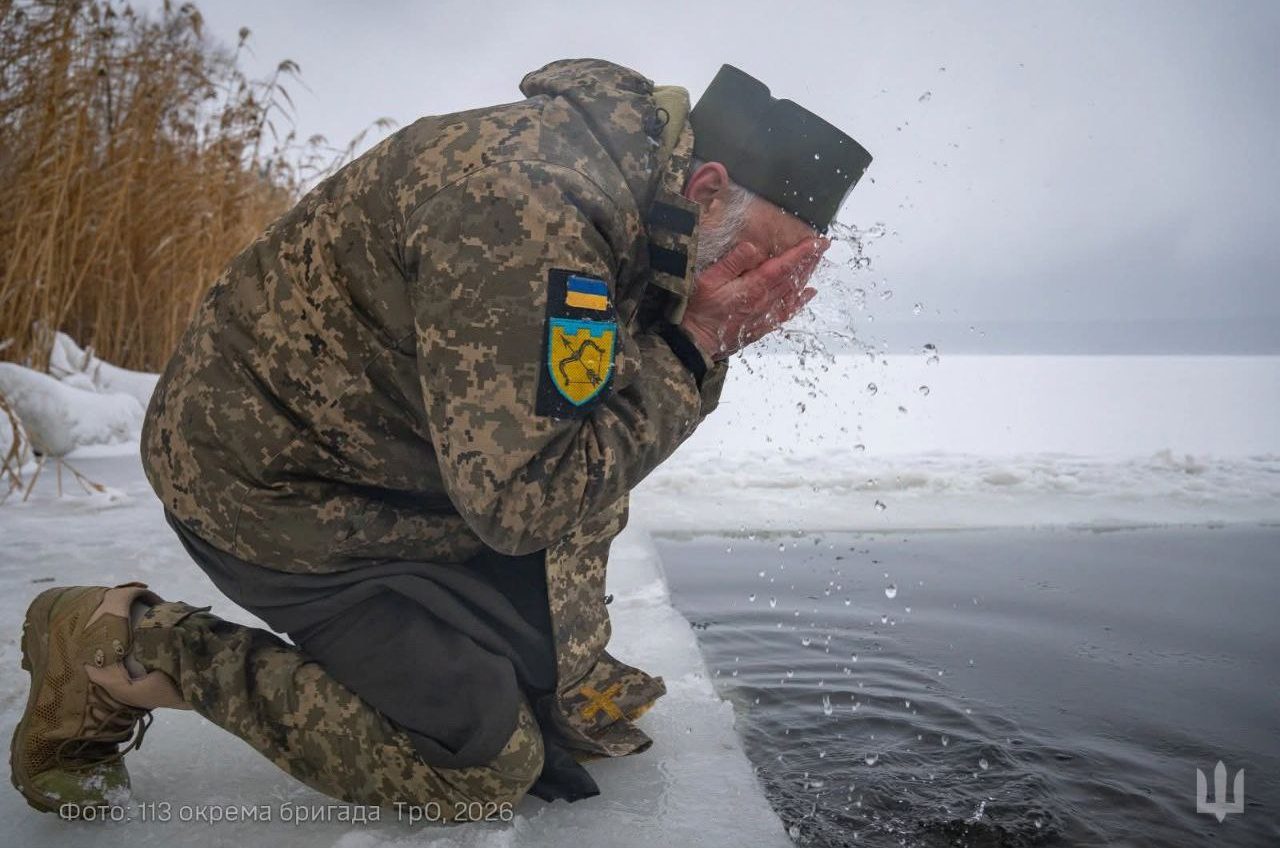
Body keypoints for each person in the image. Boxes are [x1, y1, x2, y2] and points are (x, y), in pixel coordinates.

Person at [10, 58, 872, 818]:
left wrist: (564, 674)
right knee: (483, 763)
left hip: (392, 470)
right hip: (268, 491)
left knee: (538, 668)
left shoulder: (642, 200)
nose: (768, 296)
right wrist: (691, 348)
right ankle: (120, 645)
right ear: (709, 187)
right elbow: (524, 500)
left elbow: (582, 436)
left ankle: (548, 672)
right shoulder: (531, 217)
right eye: (764, 260)